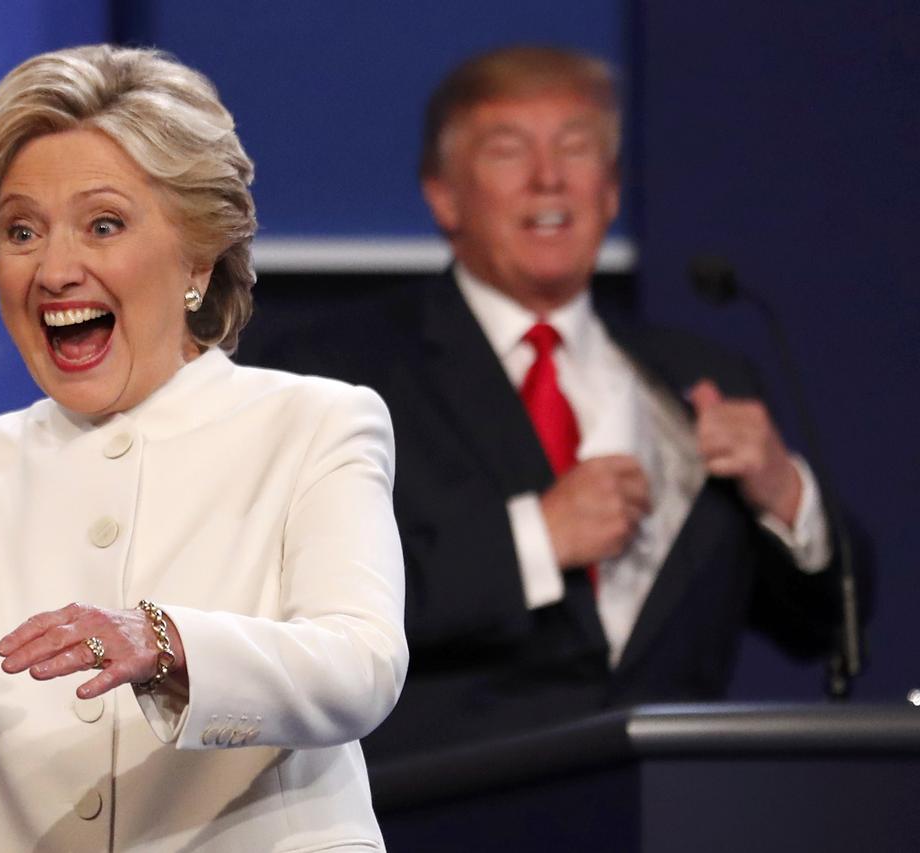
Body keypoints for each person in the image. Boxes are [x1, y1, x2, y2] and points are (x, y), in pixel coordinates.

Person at [0, 44, 407, 851]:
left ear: (199, 254)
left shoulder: (313, 425)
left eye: (104, 224)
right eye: (23, 230)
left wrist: (164, 642)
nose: (54, 270)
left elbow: (360, 665)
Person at [245, 45, 853, 759]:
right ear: (444, 195)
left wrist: (784, 492)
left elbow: (827, 626)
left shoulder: (703, 378)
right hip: (449, 806)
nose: (548, 178)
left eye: (577, 147)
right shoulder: (338, 371)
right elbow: (295, 606)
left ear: (612, 190)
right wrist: (535, 539)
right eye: (509, 151)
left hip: (676, 812)